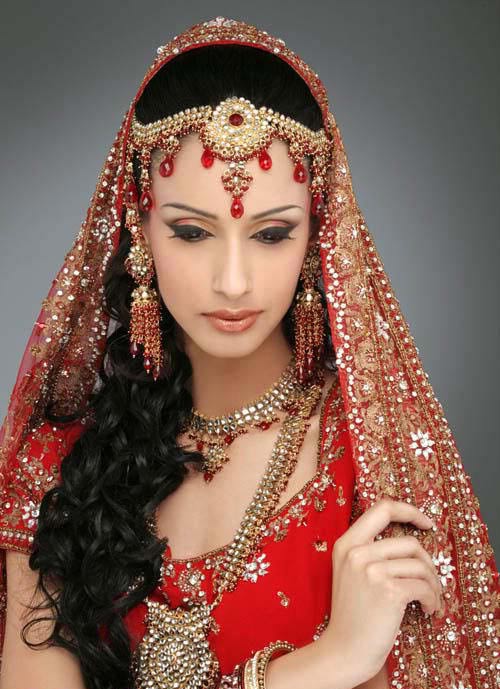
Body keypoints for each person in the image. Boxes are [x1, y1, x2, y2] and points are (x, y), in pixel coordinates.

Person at [0, 16, 497, 689]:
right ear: (139, 227)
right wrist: (325, 664)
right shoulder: (61, 471)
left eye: (270, 234)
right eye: (191, 231)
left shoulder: (376, 466)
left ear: (317, 236)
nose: (232, 282)